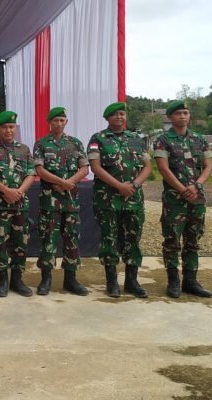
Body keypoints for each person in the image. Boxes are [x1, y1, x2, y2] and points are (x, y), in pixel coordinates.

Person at [88, 102, 152, 299]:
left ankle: (132, 281)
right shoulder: (98, 139)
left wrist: (134, 185)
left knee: (133, 240)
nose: (119, 117)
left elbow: (147, 166)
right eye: (115, 115)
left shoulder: (137, 139)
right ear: (107, 118)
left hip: (133, 199)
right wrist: (119, 186)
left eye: (122, 114)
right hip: (107, 199)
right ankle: (112, 282)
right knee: (109, 239)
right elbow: (96, 167)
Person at [153, 100, 212, 299]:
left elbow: (208, 166)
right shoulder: (162, 140)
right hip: (174, 199)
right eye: (178, 113)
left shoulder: (200, 139)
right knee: (172, 240)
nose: (183, 116)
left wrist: (196, 186)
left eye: (186, 113)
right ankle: (173, 282)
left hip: (197, 198)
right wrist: (182, 189)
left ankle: (191, 281)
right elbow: (163, 168)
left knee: (193, 240)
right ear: (170, 117)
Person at [33, 107, 90, 296]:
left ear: (66, 122)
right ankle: (46, 279)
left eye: (62, 120)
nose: (59, 123)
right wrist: (61, 182)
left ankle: (71, 280)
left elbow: (84, 169)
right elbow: (39, 170)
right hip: (50, 201)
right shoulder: (41, 143)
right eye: (55, 120)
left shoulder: (75, 143)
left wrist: (68, 183)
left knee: (72, 239)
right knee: (48, 238)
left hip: (70, 200)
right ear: (49, 122)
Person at [0, 111, 36, 297]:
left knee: (20, 243)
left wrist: (19, 192)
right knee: (1, 244)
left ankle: (17, 279)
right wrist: (5, 191)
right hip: (0, 204)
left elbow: (31, 173)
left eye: (11, 126)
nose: (8, 130)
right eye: (4, 127)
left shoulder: (24, 149)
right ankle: (2, 280)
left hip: (20, 204)